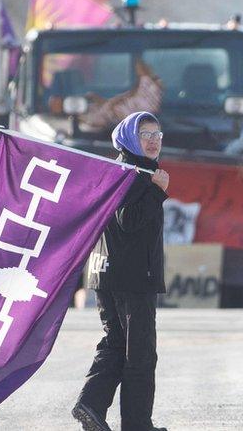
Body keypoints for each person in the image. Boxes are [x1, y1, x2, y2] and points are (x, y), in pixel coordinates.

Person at [73, 111, 170, 431]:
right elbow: (128, 221)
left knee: (116, 343)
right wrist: (158, 190)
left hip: (108, 272)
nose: (154, 141)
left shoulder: (117, 170)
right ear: (130, 138)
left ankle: (91, 404)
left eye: (158, 135)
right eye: (146, 135)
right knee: (140, 354)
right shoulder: (136, 174)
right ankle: (137, 424)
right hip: (131, 279)